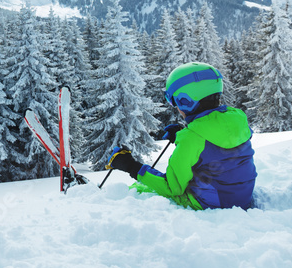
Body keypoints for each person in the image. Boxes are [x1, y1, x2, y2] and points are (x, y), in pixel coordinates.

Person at [102, 62, 257, 210]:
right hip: (241, 198)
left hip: (211, 205)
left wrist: (131, 166)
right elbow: (212, 149)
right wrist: (182, 135)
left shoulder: (192, 139)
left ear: (186, 101)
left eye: (173, 101)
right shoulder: (237, 118)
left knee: (141, 190)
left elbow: (171, 187)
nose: (175, 107)